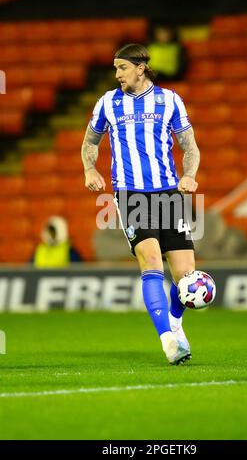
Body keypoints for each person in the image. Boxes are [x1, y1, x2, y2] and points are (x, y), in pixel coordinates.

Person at [81, 43, 200, 365]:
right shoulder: (108, 102)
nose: (117, 74)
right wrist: (90, 168)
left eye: (122, 67)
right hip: (131, 195)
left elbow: (190, 147)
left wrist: (189, 176)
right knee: (150, 261)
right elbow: (90, 142)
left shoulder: (170, 100)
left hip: (168, 195)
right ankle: (167, 340)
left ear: (140, 67)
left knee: (187, 276)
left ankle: (175, 321)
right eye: (115, 68)